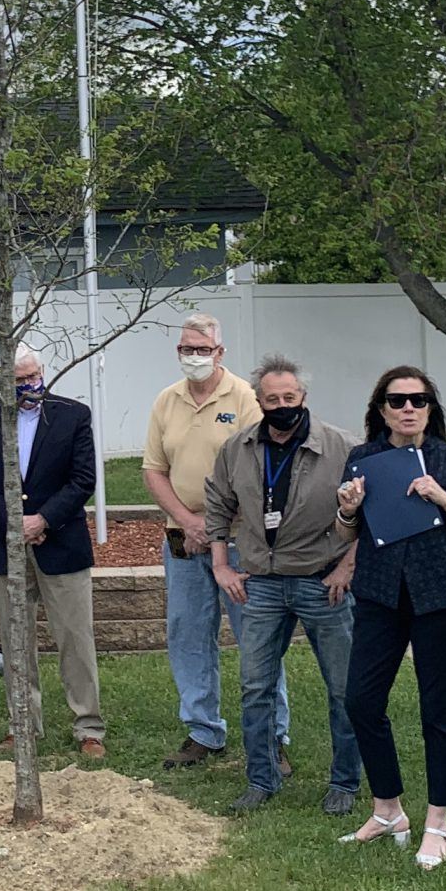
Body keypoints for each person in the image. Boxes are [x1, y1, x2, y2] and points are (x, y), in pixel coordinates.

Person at [337, 364, 446, 870]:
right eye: (398, 400)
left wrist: (444, 500)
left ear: (431, 408)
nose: (408, 409)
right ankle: (387, 811)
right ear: (380, 409)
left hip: (439, 600)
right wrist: (346, 509)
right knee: (361, 700)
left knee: (438, 712)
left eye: (419, 400)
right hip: (381, 597)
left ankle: (437, 822)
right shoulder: (363, 460)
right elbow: (346, 534)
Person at [205, 356, 361, 816]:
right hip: (262, 585)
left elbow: (369, 516)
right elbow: (218, 506)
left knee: (343, 687)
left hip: (322, 581)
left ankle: (345, 784)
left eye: (289, 398)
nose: (281, 406)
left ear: (303, 399)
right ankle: (261, 779)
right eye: (271, 399)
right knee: (256, 686)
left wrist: (347, 568)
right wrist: (221, 566)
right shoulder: (238, 448)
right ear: (258, 401)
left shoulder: (342, 448)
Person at [142, 312, 281, 769]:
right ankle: (203, 731)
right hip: (182, 538)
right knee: (188, 634)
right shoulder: (167, 400)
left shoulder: (244, 398)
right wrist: (186, 520)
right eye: (186, 348)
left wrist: (215, 525)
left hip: (241, 538)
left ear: (220, 352)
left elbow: (260, 471)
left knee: (257, 636)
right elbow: (153, 470)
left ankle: (272, 736)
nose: (194, 356)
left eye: (202, 349)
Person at [0, 345, 104, 760]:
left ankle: (88, 727)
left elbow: (83, 480)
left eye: (32, 375)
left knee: (76, 640)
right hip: (8, 547)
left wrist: (43, 520)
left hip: (61, 543)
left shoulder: (72, 414)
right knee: (15, 640)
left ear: (43, 371)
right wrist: (14, 522)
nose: (28, 385)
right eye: (18, 379)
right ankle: (22, 725)